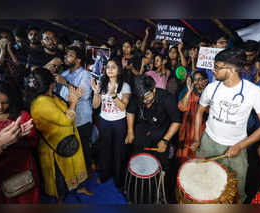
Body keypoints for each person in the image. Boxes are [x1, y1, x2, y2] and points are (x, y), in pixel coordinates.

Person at [192, 48, 260, 202]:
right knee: (203, 183)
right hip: (208, 144)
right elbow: (199, 112)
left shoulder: (254, 92)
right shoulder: (211, 88)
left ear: (230, 69)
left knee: (234, 191)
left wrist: (240, 146)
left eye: (216, 67)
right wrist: (197, 139)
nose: (213, 70)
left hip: (236, 148)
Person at [26, 68, 92, 204]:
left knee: (74, 167)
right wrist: (74, 102)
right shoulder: (41, 103)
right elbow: (66, 119)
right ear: (51, 84)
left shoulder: (51, 96)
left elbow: (65, 110)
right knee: (59, 176)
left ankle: (78, 188)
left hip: (68, 141)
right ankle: (59, 199)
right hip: (55, 148)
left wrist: (72, 99)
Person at [0, 80, 40, 203]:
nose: (0, 107)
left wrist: (18, 140)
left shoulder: (22, 117)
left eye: (5, 103)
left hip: (22, 170)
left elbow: (34, 143)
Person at [125, 75, 182, 171]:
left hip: (161, 133)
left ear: (154, 90)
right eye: (142, 98)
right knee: (138, 160)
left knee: (159, 164)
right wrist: (130, 131)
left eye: (147, 97)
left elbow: (176, 121)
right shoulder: (137, 96)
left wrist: (165, 140)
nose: (145, 101)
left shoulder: (167, 98)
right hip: (142, 130)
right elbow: (130, 111)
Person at [91, 57, 131, 189]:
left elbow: (123, 107)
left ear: (119, 69)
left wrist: (113, 94)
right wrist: (96, 93)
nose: (110, 69)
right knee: (105, 150)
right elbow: (95, 105)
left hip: (119, 123)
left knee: (119, 151)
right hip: (104, 121)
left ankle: (119, 179)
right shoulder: (101, 84)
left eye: (113, 67)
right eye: (108, 67)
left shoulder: (125, 86)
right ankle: (104, 175)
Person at [57, 46, 93, 175]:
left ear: (78, 60)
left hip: (82, 119)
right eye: (66, 55)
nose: (66, 57)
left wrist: (66, 83)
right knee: (71, 150)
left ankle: (86, 176)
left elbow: (84, 95)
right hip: (67, 119)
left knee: (83, 150)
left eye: (70, 55)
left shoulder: (85, 74)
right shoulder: (64, 74)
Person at [176, 71, 208, 163]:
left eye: (199, 79)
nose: (197, 83)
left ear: (206, 81)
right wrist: (189, 91)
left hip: (201, 136)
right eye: (195, 80)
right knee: (184, 163)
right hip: (186, 135)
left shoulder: (209, 96)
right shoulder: (190, 94)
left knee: (199, 164)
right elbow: (182, 107)